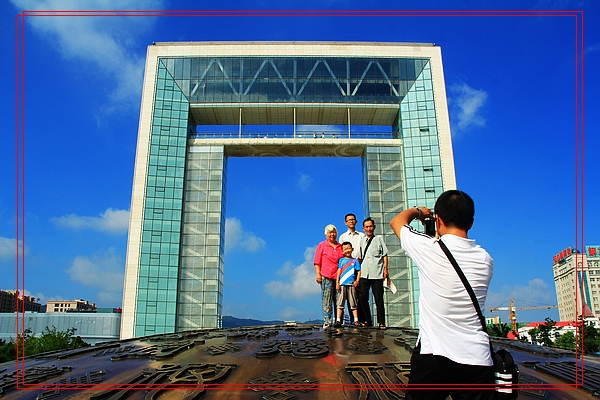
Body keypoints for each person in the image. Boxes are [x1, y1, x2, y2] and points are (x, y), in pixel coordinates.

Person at [389, 190, 494, 400]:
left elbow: (397, 221)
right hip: (476, 359)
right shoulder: (486, 260)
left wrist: (419, 212)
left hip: (433, 356)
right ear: (471, 222)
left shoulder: (428, 248)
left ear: (438, 219)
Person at [357, 217, 389, 329]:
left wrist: (386, 269)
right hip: (365, 273)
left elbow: (385, 255)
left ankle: (381, 322)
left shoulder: (379, 239)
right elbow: (359, 258)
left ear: (374, 227)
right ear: (363, 228)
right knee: (362, 297)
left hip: (377, 273)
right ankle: (367, 319)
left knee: (378, 299)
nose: (369, 228)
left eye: (370, 226)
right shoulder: (361, 241)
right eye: (367, 227)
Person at [314, 224, 343, 329]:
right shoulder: (322, 245)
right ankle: (328, 321)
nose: (332, 234)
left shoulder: (340, 246)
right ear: (326, 234)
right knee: (327, 299)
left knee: (339, 299)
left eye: (334, 232)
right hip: (326, 275)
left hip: (339, 277)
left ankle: (339, 321)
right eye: (330, 232)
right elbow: (317, 261)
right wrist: (318, 274)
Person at [335, 242, 361, 328]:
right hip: (342, 284)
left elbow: (359, 271)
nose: (347, 250)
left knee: (353, 303)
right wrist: (337, 282)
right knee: (340, 303)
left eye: (348, 248)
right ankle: (338, 320)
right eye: (345, 249)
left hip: (351, 284)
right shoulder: (341, 260)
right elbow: (339, 271)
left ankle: (356, 320)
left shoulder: (355, 261)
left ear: (352, 249)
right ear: (342, 251)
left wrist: (357, 280)